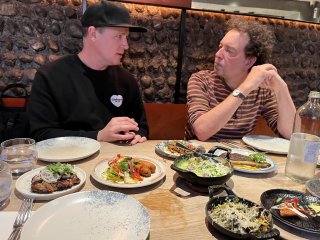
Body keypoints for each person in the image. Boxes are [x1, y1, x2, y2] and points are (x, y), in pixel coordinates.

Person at [28, 1, 148, 145]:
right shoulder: (50, 76)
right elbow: (41, 134)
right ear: (93, 34)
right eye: (119, 36)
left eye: (126, 37)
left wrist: (138, 135)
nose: (126, 45)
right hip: (68, 164)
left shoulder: (127, 80)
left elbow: (141, 126)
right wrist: (98, 136)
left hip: (115, 163)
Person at [185, 18, 296, 141]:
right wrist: (245, 87)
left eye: (229, 50)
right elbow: (202, 131)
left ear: (249, 61)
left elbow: (291, 134)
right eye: (220, 46)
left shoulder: (262, 91)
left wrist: (282, 88)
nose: (218, 54)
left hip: (239, 158)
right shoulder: (201, 80)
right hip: (198, 156)